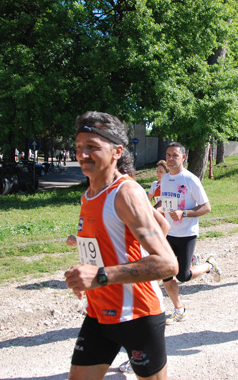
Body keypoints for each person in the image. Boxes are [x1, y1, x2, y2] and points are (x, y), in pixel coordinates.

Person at [65, 111, 178, 380]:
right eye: (79, 147)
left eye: (92, 147)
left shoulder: (125, 192)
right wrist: (87, 274)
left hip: (137, 315)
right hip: (99, 312)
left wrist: (100, 275)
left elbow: (168, 263)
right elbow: (161, 225)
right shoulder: (89, 195)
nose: (83, 154)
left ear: (117, 151)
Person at [155, 142, 221, 325]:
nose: (170, 158)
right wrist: (151, 210)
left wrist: (183, 213)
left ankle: (209, 265)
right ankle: (179, 309)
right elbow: (163, 202)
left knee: (183, 276)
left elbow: (207, 207)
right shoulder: (166, 179)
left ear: (183, 157)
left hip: (187, 234)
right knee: (166, 272)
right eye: (168, 155)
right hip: (169, 233)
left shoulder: (190, 179)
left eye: (175, 155)